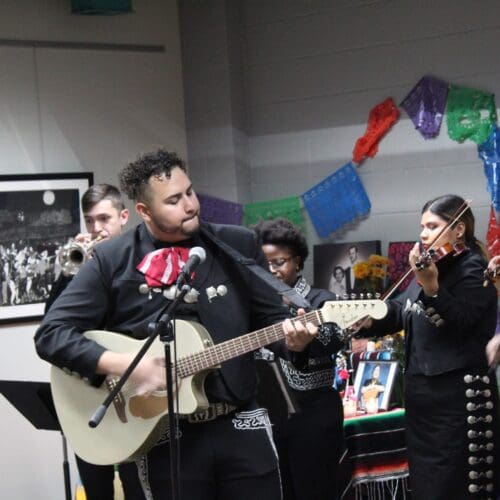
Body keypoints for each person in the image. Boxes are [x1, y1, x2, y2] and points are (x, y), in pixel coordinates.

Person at [35, 149, 317, 500]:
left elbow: (271, 321)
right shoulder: (111, 260)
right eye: (173, 200)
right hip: (163, 436)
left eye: (190, 192)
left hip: (239, 422)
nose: (190, 205)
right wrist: (126, 366)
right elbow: (51, 334)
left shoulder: (237, 243)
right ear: (143, 211)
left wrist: (295, 342)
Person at [356, 194, 498, 499]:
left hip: (457, 402)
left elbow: (463, 322)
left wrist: (432, 288)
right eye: (421, 226)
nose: (423, 233)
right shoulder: (428, 263)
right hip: (424, 403)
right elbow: (401, 310)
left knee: (453, 488)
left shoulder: (473, 268)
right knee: (426, 488)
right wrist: (369, 319)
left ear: (458, 230)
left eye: (432, 225)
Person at [44, 184, 144, 500]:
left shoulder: (139, 260)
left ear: (123, 217)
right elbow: (52, 324)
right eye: (90, 221)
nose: (96, 229)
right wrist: (70, 273)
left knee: (139, 486)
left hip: (133, 390)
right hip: (89, 388)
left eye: (104, 219)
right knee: (96, 487)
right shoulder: (82, 269)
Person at [253, 217, 345, 500]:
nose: (272, 271)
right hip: (267, 422)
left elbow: (336, 337)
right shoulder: (254, 306)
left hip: (314, 420)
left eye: (279, 262)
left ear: (298, 262)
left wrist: (309, 339)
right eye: (264, 264)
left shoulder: (321, 299)